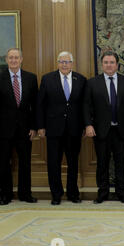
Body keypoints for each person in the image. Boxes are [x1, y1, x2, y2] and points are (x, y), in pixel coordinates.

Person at [83, 50, 124, 204]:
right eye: (106, 62)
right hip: (101, 131)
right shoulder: (92, 83)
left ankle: (122, 193)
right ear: (102, 65)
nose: (109, 65)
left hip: (121, 130)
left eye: (112, 62)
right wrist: (88, 125)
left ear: (117, 65)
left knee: (121, 163)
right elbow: (87, 106)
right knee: (102, 163)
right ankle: (102, 193)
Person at [37, 51, 87, 205]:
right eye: (62, 62)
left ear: (72, 63)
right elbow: (40, 105)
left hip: (74, 129)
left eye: (67, 62)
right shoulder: (47, 79)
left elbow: (85, 105)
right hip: (53, 129)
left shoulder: (81, 80)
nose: (64, 64)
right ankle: (56, 195)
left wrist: (85, 125)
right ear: (57, 63)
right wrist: (40, 126)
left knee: (73, 163)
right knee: (53, 163)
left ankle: (73, 193)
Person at [0, 48, 38, 205]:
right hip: (4, 130)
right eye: (10, 58)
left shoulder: (31, 78)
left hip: (25, 130)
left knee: (25, 163)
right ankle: (6, 195)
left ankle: (25, 194)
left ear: (21, 59)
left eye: (16, 57)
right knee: (4, 163)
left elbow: (35, 106)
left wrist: (34, 127)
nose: (13, 60)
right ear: (6, 60)